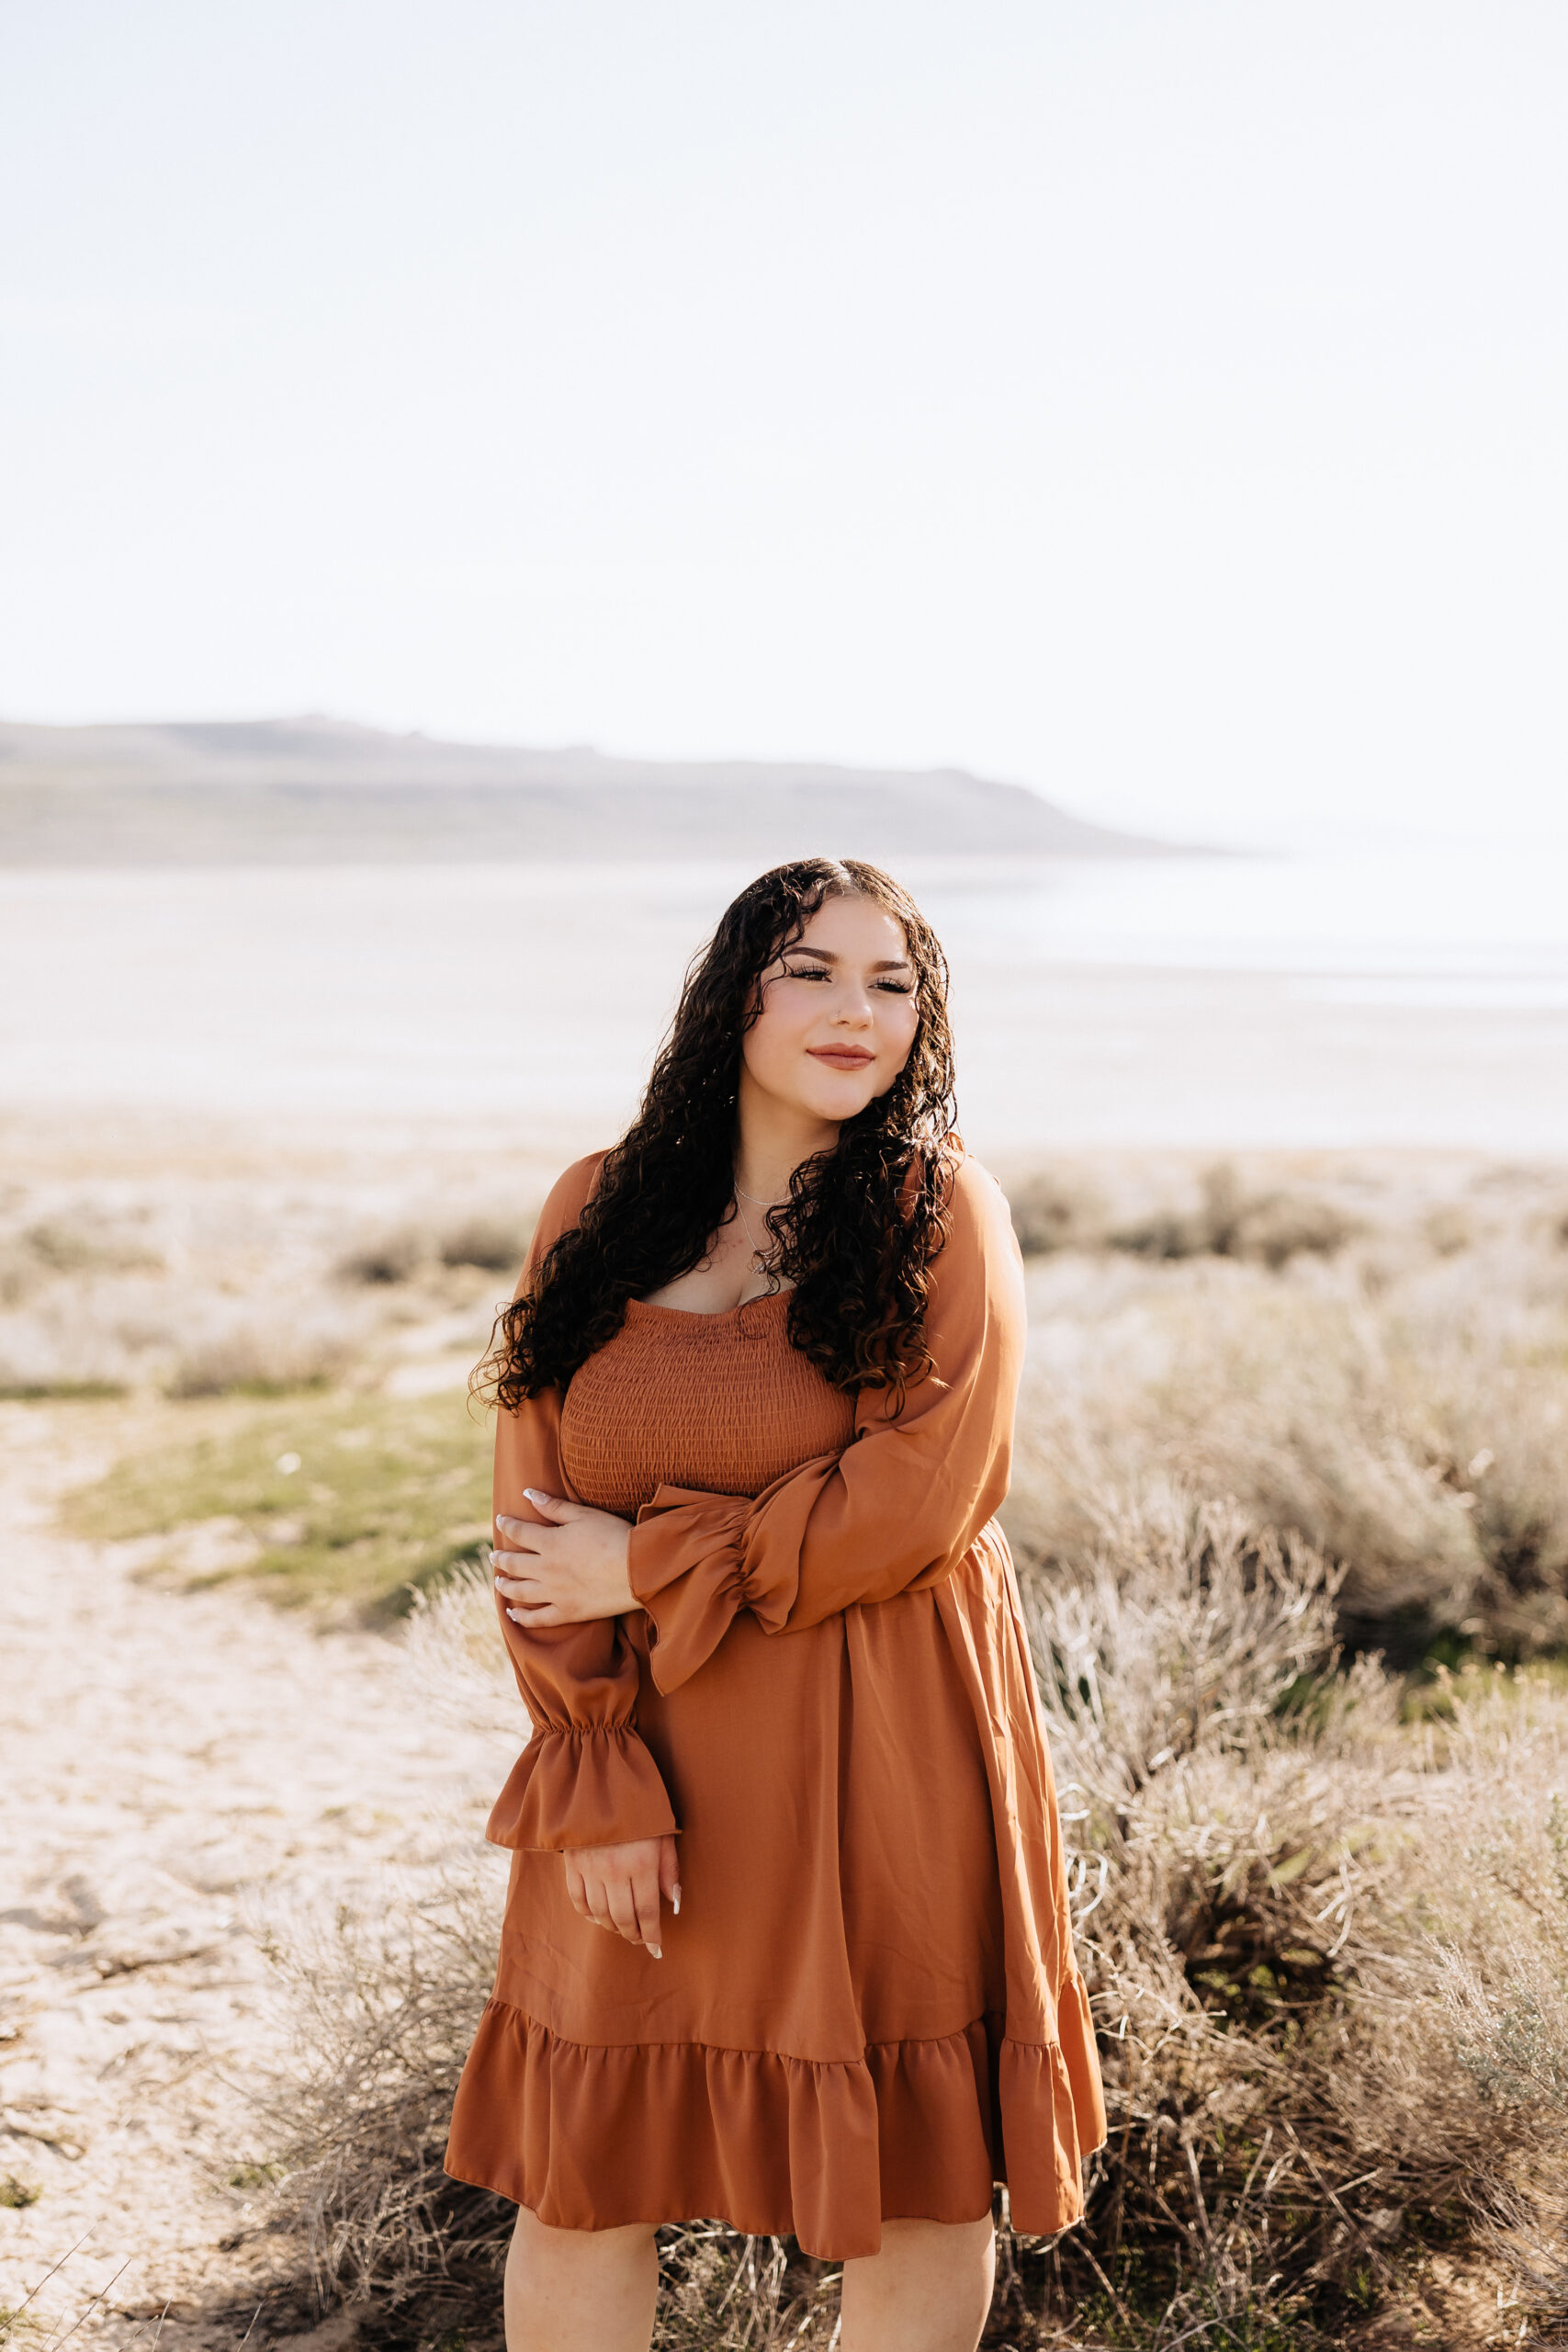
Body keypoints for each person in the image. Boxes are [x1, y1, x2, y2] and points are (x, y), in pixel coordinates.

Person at [445, 857, 1106, 2352]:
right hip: (644, 1751)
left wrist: (654, 1564)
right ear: (731, 993)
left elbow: (925, 1501)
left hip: (884, 1742)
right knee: (585, 2172)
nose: (854, 1011)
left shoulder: (944, 1211)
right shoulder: (598, 1208)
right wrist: (596, 1772)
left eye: (893, 983)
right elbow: (533, 1518)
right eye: (812, 970)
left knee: (921, 2172)